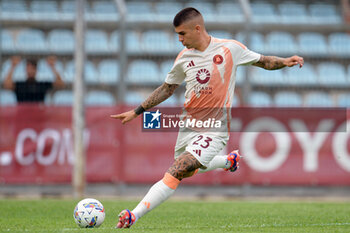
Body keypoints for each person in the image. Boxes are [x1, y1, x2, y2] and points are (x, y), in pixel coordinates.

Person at [111, 7, 304, 228]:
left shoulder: (230, 49)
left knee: (178, 169)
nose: (179, 39)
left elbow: (264, 61)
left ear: (197, 28)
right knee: (189, 169)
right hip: (188, 126)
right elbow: (167, 88)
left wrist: (285, 61)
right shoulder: (184, 58)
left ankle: (132, 215)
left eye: (182, 34)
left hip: (216, 127)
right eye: (177, 35)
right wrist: (137, 111)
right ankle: (227, 161)